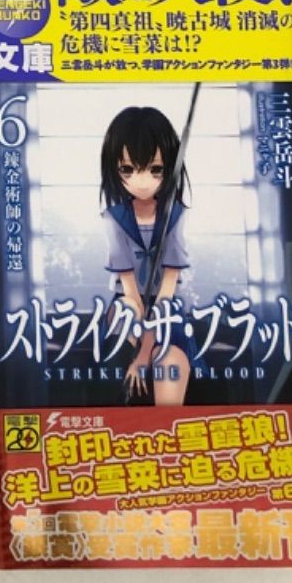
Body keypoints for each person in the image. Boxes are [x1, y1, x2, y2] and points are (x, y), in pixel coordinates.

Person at [99, 105, 194, 405]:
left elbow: (168, 286)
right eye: (128, 170)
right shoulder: (114, 218)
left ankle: (169, 425)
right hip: (128, 304)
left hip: (165, 305)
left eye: (155, 170)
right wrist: (141, 347)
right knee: (128, 309)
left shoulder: (175, 215)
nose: (142, 181)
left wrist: (145, 353)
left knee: (171, 360)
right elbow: (128, 288)